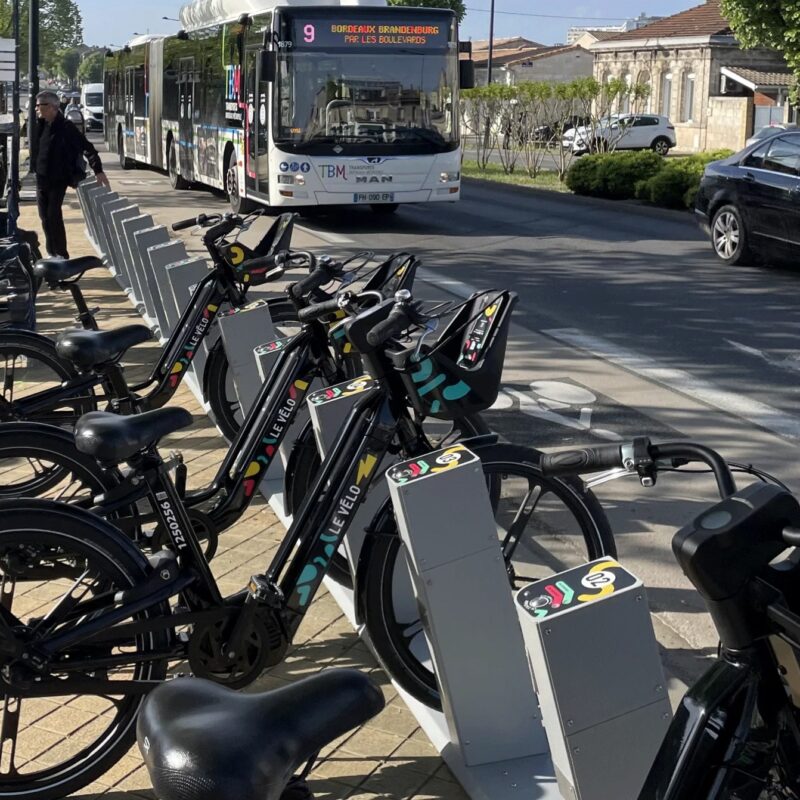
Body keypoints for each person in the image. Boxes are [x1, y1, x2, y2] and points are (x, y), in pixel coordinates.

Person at [30, 90, 109, 258]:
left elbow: (88, 148)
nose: (36, 109)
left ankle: (61, 255)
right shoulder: (40, 125)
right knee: (44, 218)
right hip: (41, 178)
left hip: (59, 179)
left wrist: (98, 170)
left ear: (51, 107)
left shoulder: (66, 127)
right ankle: (52, 255)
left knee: (53, 215)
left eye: (39, 105)